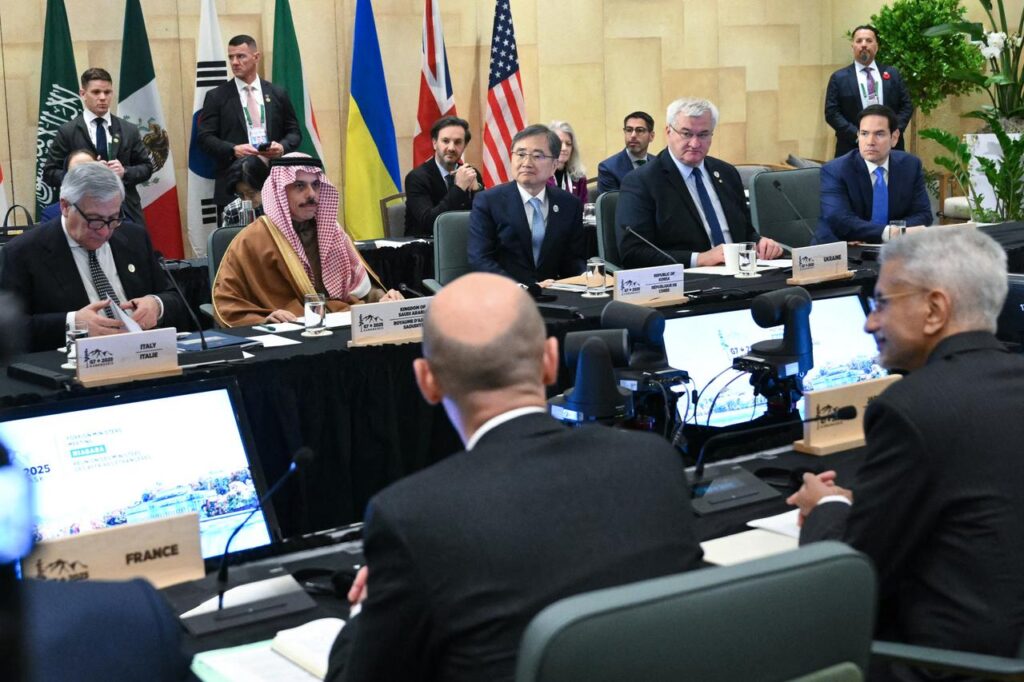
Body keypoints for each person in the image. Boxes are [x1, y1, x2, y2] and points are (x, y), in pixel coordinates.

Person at [325, 272, 704, 682]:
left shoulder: (410, 517)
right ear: (550, 361)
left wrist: (365, 611)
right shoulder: (652, 463)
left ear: (427, 381)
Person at [787, 229, 1024, 680]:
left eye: (882, 303)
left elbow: (848, 579)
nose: (869, 323)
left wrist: (827, 506)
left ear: (934, 309)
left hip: (936, 666)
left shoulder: (909, 409)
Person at [0, 163, 185, 352]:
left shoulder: (134, 237)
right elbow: (9, 329)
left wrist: (157, 304)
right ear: (65, 206)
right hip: (71, 368)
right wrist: (71, 323)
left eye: (113, 218)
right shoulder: (23, 252)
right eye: (94, 220)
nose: (105, 231)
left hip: (141, 355)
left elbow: (175, 297)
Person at [212, 154, 401, 327]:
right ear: (280, 191)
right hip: (290, 334)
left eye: (316, 185)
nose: (311, 194)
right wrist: (264, 321)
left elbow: (360, 291)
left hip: (342, 325)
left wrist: (384, 300)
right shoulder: (252, 240)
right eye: (300, 186)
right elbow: (227, 303)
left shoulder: (332, 232)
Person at [616, 97, 783, 268]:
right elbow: (633, 253)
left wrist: (760, 242)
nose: (695, 143)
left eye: (703, 134)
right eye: (686, 134)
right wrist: (700, 259)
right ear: (668, 132)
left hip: (743, 271)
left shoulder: (727, 173)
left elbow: (745, 232)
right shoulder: (642, 181)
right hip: (690, 282)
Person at [467, 124, 586, 285]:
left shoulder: (569, 204)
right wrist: (523, 289)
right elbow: (480, 260)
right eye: (521, 154)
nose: (526, 162)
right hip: (505, 296)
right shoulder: (488, 201)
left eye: (537, 156)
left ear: (554, 165)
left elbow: (573, 261)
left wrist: (589, 277)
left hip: (554, 296)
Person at [197, 34, 301, 212]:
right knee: (237, 240)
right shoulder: (217, 96)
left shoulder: (277, 93)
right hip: (234, 186)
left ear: (256, 57)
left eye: (241, 56)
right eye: (231, 57)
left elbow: (294, 132)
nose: (235, 62)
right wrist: (233, 149)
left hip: (275, 184)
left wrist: (281, 147)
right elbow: (204, 138)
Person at [42, 68, 154, 226]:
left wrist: (125, 172)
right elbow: (49, 173)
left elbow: (147, 167)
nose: (103, 98)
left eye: (107, 92)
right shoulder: (68, 131)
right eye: (96, 92)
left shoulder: (128, 129)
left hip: (125, 211)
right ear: (83, 94)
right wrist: (83, 174)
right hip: (84, 213)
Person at [815, 104, 932, 244]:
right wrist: (888, 233)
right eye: (864, 134)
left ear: (894, 137)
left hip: (892, 250)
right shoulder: (835, 170)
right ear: (858, 136)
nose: (870, 142)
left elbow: (923, 215)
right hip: (842, 251)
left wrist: (894, 234)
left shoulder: (910, 166)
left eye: (879, 134)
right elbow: (840, 220)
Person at [825, 25, 913, 158]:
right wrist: (859, 135)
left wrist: (892, 133)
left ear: (876, 46)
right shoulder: (839, 78)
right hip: (852, 148)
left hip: (891, 149)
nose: (864, 45)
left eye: (869, 40)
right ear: (853, 46)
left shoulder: (892, 74)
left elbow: (906, 106)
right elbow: (832, 113)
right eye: (859, 41)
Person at [404, 116, 484, 237]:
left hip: (464, 244)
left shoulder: (471, 174)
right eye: (445, 141)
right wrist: (459, 188)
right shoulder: (416, 178)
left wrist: (476, 191)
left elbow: (485, 220)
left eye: (457, 142)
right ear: (435, 143)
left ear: (465, 145)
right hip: (426, 249)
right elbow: (430, 222)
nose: (451, 148)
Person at [597, 111, 656, 194]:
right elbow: (612, 205)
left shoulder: (658, 163)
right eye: (629, 130)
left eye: (639, 130)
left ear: (651, 136)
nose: (633, 135)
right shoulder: (608, 169)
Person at [40, 149, 99, 223]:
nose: (82, 176)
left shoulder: (111, 209)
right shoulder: (51, 214)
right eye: (75, 171)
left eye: (88, 170)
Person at [221, 155, 271, 226]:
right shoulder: (232, 211)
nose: (246, 200)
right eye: (240, 195)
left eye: (251, 194)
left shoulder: (281, 206)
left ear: (265, 185)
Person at [547, 120, 589, 203]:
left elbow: (584, 209)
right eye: (559, 143)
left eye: (568, 144)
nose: (564, 148)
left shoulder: (579, 178)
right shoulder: (540, 177)